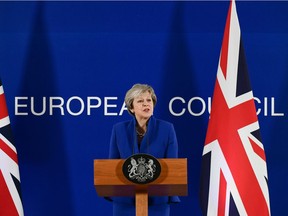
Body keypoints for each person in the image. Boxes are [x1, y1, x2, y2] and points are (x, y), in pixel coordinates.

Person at [108, 83, 180, 216]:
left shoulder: (167, 129)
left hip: (156, 201)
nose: (146, 104)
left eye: (149, 100)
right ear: (131, 107)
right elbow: (112, 166)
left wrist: (171, 194)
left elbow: (173, 165)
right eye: (140, 101)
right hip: (125, 202)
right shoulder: (119, 130)